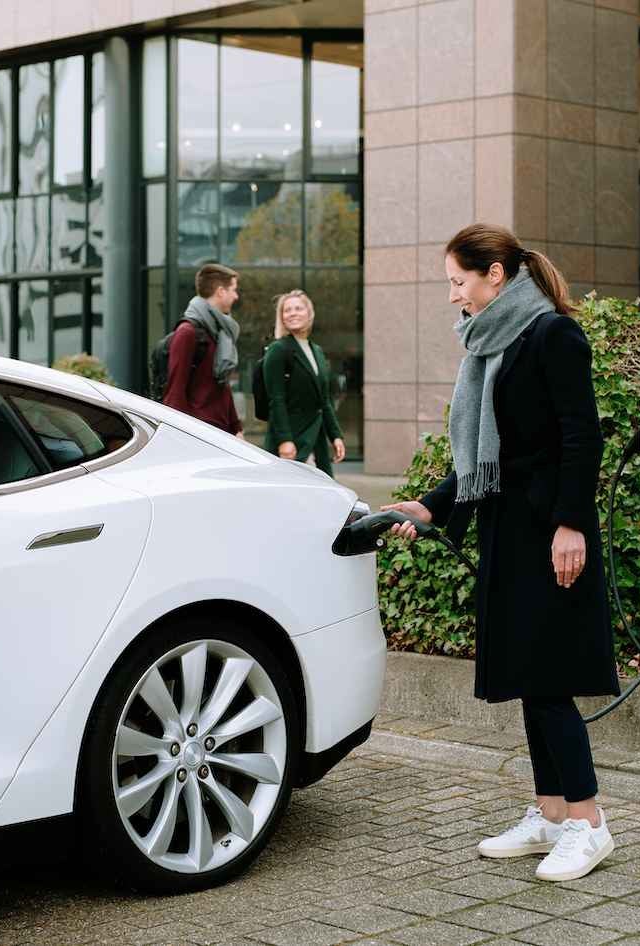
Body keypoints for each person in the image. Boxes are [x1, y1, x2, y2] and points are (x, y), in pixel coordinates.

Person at [382, 223, 620, 883]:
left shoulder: (551, 335)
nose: (452, 294)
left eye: (459, 280)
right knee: (528, 679)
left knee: (549, 683)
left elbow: (582, 438)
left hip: (551, 537)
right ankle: (550, 815)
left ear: (495, 275)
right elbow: (490, 455)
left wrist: (571, 524)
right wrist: (431, 505)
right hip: (510, 533)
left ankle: (590, 823)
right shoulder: (491, 344)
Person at [261, 290, 346, 476]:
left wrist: (336, 435)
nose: (292, 313)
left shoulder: (316, 351)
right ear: (281, 317)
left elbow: (324, 400)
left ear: (309, 313)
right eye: (287, 310)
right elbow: (276, 399)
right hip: (292, 439)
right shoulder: (278, 350)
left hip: (316, 438)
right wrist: (285, 440)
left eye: (298, 308)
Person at [164, 263, 245, 438]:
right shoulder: (188, 332)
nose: (236, 296)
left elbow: (221, 385)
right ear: (221, 291)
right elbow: (175, 392)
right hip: (198, 433)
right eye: (233, 290)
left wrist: (236, 427)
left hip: (220, 431)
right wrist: (181, 436)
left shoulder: (219, 331)